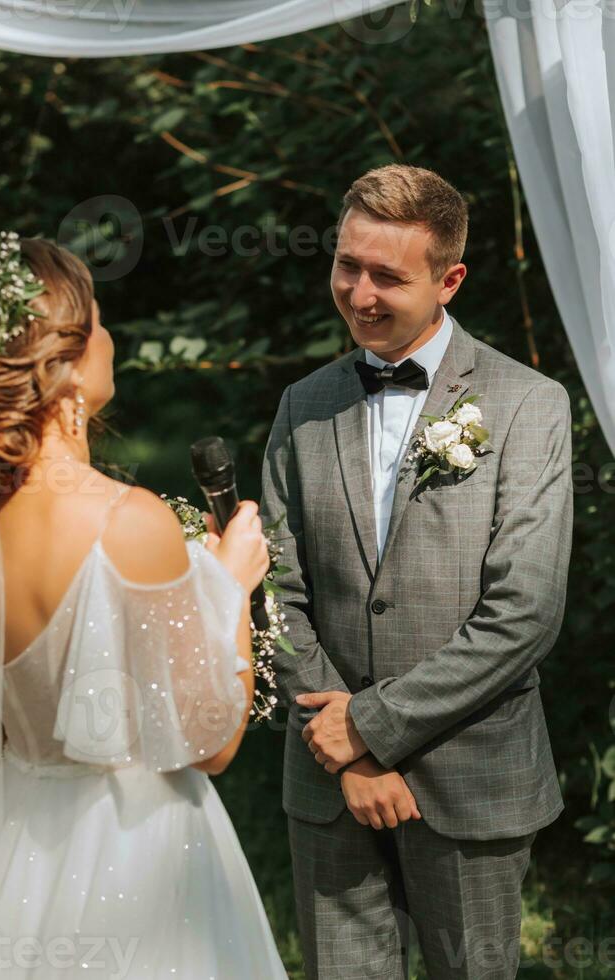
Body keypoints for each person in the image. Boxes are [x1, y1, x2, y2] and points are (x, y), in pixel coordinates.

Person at [261, 164, 573, 979]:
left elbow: (525, 612)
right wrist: (346, 753)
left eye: (387, 276)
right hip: (329, 782)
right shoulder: (302, 404)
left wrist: (371, 728)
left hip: (470, 778)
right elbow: (274, 591)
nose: (359, 293)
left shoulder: (527, 404)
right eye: (345, 265)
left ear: (450, 279)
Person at [0, 232, 287, 979]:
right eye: (100, 321)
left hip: (17, 850)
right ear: (65, 366)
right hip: (139, 857)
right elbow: (211, 743)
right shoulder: (125, 521)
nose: (111, 336)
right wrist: (230, 587)